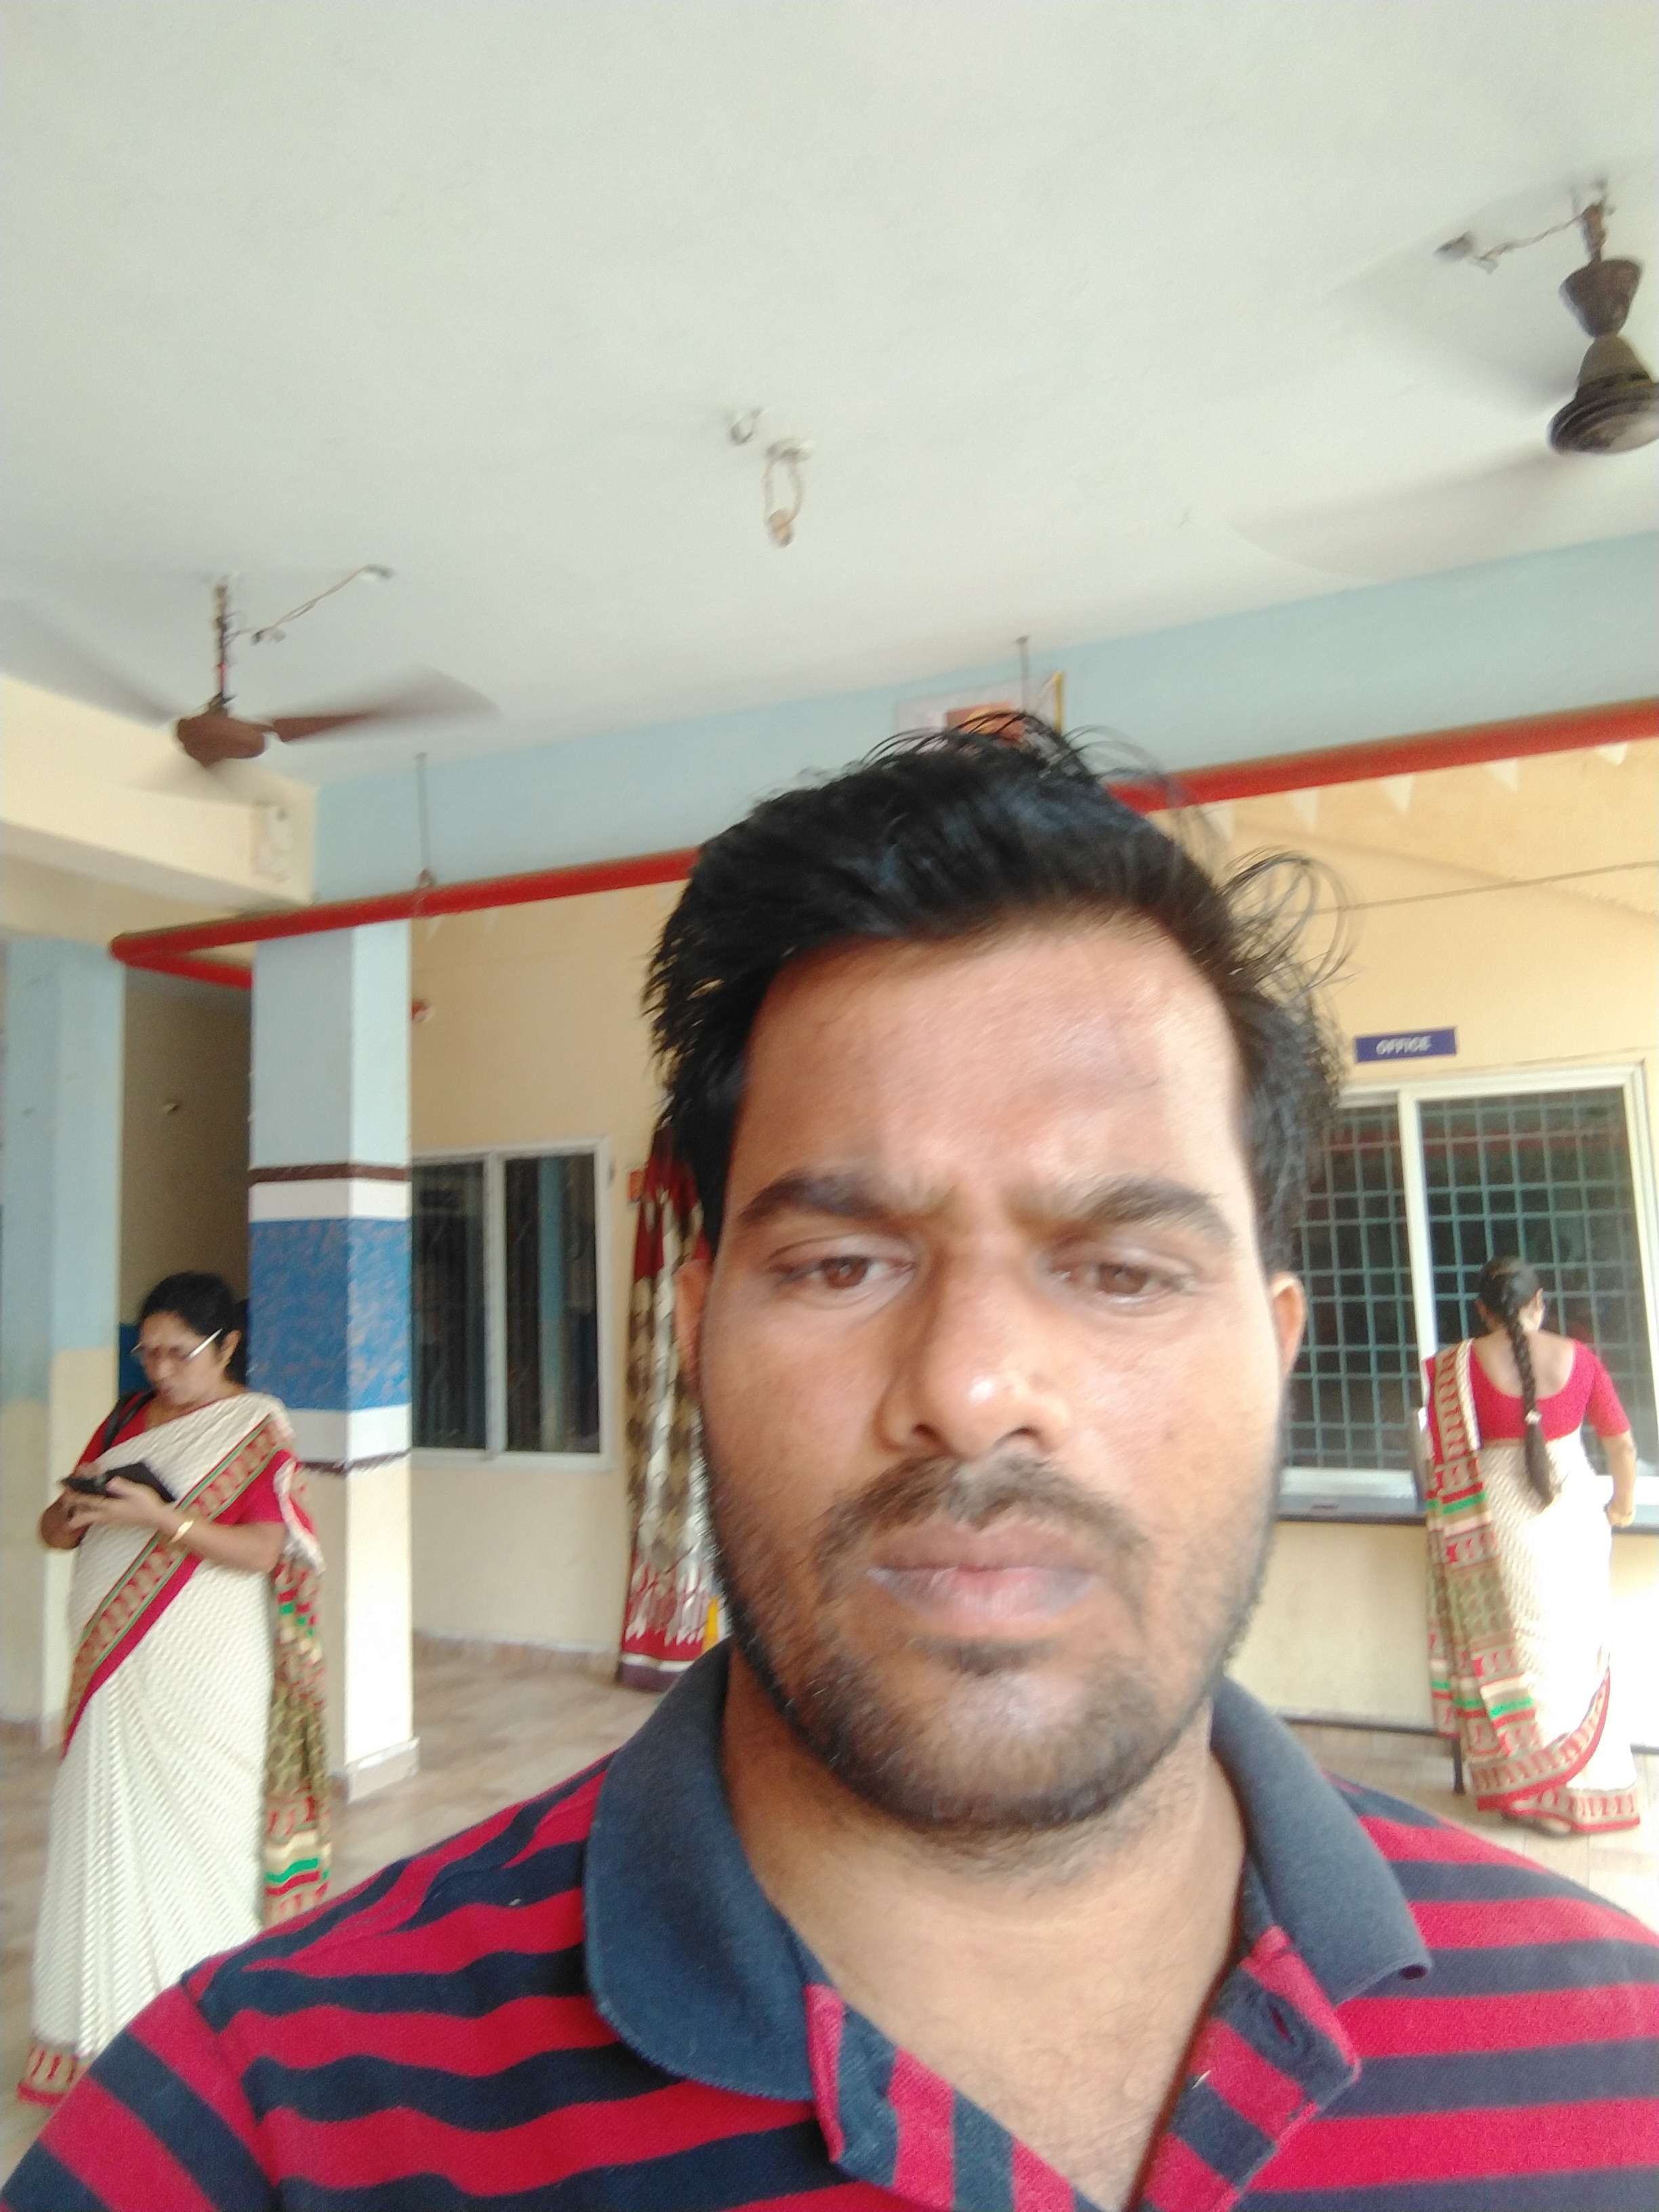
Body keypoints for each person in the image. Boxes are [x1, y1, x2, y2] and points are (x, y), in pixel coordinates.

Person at [7, 727, 1657, 2211]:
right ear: (695, 1330)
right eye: (843, 1263)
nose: (969, 1392)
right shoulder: (266, 2124)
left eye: (1120, 1269)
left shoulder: (1619, 2061)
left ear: (1276, 1349)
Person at [16, 1272, 328, 2111]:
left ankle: (206, 2038)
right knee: (102, 1829)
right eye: (148, 1352)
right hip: (110, 1669)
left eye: (178, 1353)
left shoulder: (255, 1427)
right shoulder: (126, 1418)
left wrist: (162, 1520)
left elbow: (265, 1550)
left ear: (226, 1348)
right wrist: (73, 1514)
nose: (160, 1370)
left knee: (200, 1836)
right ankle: (101, 2034)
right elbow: (53, 1530)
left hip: (204, 1669)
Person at [1425, 1253, 1642, 1839]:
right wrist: (1621, 1508)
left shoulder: (1456, 1368)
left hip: (1495, 1524)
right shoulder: (1582, 1358)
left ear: (1482, 1311)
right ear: (1539, 1303)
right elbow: (1622, 1447)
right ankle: (1581, 1792)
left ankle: (1529, 1795)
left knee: (1519, 1658)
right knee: (1577, 1651)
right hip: (1574, 1517)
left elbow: (1438, 1457)